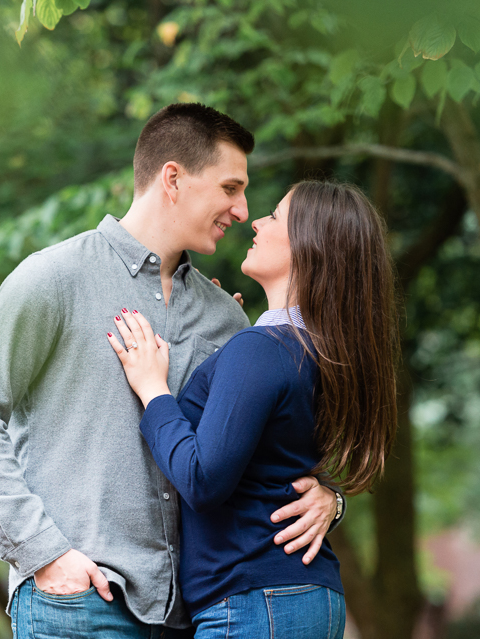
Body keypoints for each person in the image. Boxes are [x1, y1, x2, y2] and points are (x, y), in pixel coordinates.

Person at [0, 104, 342, 639]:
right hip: (80, 602)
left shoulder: (226, 317)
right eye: (229, 188)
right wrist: (42, 552)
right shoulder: (53, 278)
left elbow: (251, 445)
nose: (243, 210)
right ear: (172, 179)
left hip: (193, 615)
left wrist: (329, 497)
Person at [107, 181, 400, 638]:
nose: (257, 221)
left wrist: (152, 390)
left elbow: (203, 480)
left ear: (309, 247)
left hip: (255, 598)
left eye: (276, 216)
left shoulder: (261, 350)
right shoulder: (320, 353)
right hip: (299, 594)